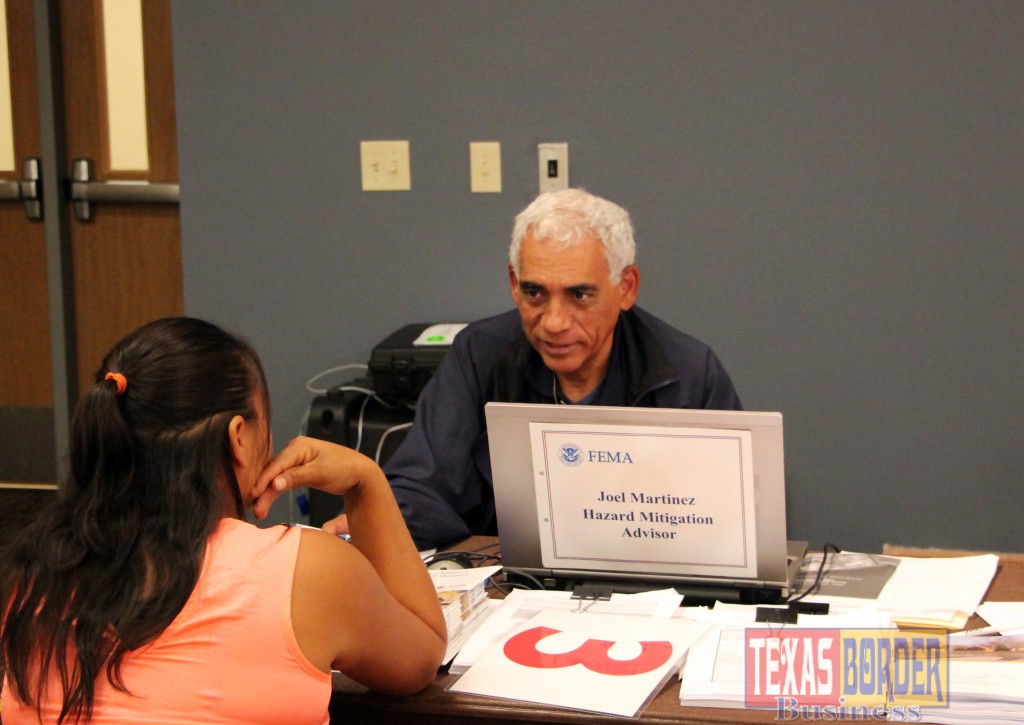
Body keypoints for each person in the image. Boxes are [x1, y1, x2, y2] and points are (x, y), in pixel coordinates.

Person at [0, 317, 445, 724]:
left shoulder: (33, 572)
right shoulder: (308, 571)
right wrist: (366, 482)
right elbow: (420, 657)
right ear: (239, 438)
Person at [326, 188, 742, 551]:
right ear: (513, 282)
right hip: (511, 585)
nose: (555, 321)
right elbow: (424, 484)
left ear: (626, 288)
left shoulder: (687, 373)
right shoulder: (480, 355)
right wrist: (375, 522)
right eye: (534, 293)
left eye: (580, 294)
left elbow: (730, 521)